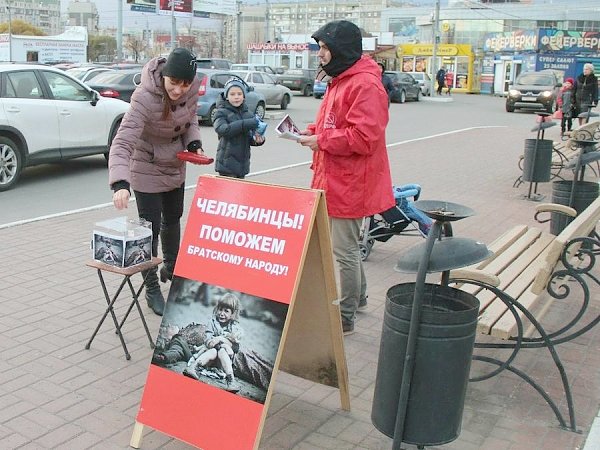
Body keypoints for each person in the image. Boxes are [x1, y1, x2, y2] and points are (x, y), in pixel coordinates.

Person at [297, 20, 395, 335]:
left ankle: (347, 315)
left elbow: (364, 137)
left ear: (341, 50)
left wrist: (322, 141)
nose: (321, 54)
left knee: (344, 252)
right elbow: (334, 122)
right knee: (347, 248)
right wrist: (311, 133)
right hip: (335, 178)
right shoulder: (342, 80)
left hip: (349, 183)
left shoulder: (364, 84)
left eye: (325, 48)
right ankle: (360, 297)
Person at [108, 47, 203, 316]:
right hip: (146, 165)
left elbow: (190, 116)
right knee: (148, 230)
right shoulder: (144, 98)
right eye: (174, 83)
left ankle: (171, 271)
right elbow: (123, 142)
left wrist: (194, 143)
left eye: (185, 85)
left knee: (173, 219)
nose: (179, 90)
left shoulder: (192, 89)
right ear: (164, 76)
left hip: (175, 164)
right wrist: (120, 184)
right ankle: (151, 289)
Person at [183, 293, 244, 393]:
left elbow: (236, 348)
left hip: (222, 363)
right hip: (208, 359)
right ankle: (193, 367)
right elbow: (208, 341)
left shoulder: (234, 328)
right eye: (220, 309)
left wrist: (221, 339)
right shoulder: (212, 323)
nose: (221, 313)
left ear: (233, 314)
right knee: (215, 351)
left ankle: (231, 380)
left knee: (222, 351)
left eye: (226, 311)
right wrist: (216, 343)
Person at [213, 78, 266, 179]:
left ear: (244, 96)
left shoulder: (249, 114)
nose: (236, 97)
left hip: (242, 165)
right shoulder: (220, 112)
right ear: (227, 96)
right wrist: (246, 124)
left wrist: (258, 140)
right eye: (232, 94)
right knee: (228, 194)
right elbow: (224, 130)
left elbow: (250, 137)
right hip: (226, 166)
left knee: (239, 194)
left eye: (239, 94)